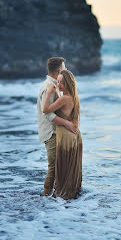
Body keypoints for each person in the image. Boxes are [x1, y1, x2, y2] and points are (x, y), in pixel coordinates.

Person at [37, 57, 77, 196]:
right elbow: (47, 114)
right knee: (53, 167)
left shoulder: (56, 86)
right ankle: (46, 196)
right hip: (51, 133)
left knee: (58, 167)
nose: (66, 70)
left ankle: (55, 194)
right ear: (60, 70)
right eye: (65, 68)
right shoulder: (48, 87)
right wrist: (67, 123)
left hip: (56, 132)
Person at [43, 69, 82, 199]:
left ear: (69, 84)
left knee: (63, 170)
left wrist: (49, 92)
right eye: (58, 81)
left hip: (65, 137)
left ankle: (62, 198)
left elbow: (45, 110)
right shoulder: (74, 97)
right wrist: (56, 92)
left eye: (62, 83)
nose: (59, 85)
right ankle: (71, 196)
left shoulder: (64, 98)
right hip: (74, 136)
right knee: (70, 171)